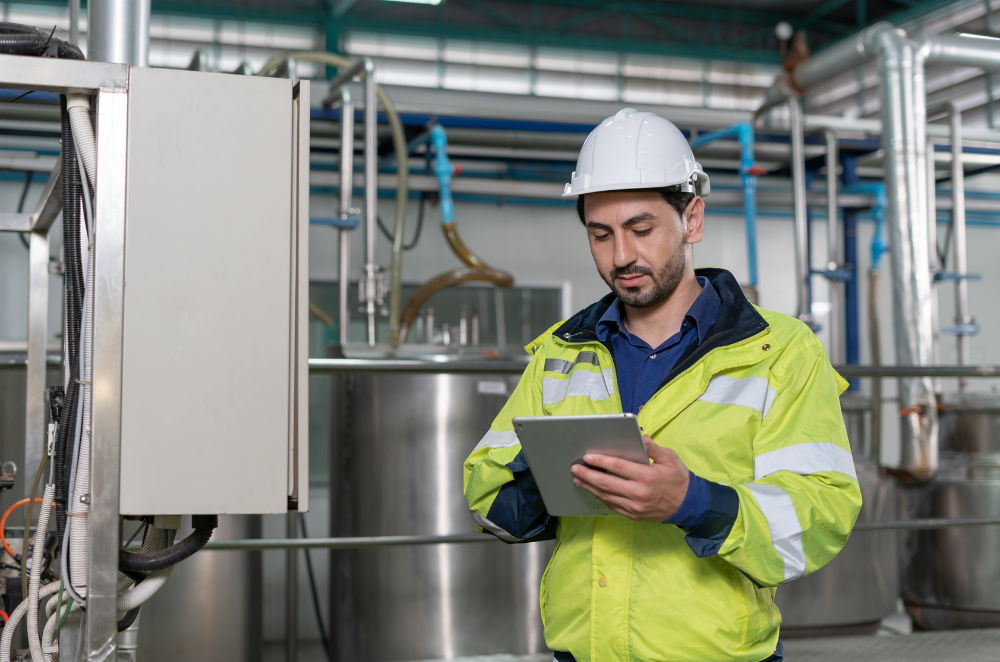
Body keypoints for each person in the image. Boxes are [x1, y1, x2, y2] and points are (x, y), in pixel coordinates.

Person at [463, 108, 861, 662]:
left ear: (692, 219)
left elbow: (820, 514)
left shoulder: (781, 352)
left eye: (641, 229)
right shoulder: (561, 351)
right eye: (600, 235)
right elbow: (486, 496)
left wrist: (692, 501)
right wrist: (563, 483)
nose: (621, 255)